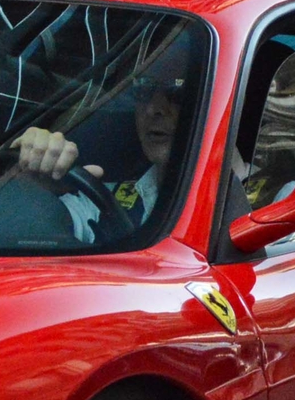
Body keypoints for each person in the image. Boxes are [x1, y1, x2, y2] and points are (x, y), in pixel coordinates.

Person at [11, 36, 197, 244]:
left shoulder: (238, 208)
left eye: (176, 90)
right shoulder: (107, 201)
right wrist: (34, 190)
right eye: (144, 88)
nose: (154, 109)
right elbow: (27, 235)